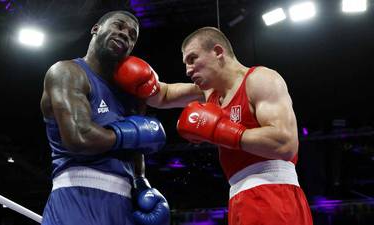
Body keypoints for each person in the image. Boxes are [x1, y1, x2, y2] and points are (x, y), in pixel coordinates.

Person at [115, 27, 313, 225]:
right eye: (185, 63)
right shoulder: (210, 93)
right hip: (239, 196)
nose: (188, 70)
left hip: (274, 193)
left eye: (192, 59)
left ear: (218, 52)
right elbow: (163, 95)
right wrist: (134, 75)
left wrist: (220, 130)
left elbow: (285, 144)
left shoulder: (260, 79)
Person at [40, 10, 170, 225]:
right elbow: (79, 138)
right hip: (77, 197)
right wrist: (132, 133)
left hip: (122, 205)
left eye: (132, 35)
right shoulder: (68, 72)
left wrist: (141, 184)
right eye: (118, 26)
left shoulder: (131, 95)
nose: (125, 34)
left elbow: (136, 151)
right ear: (96, 29)